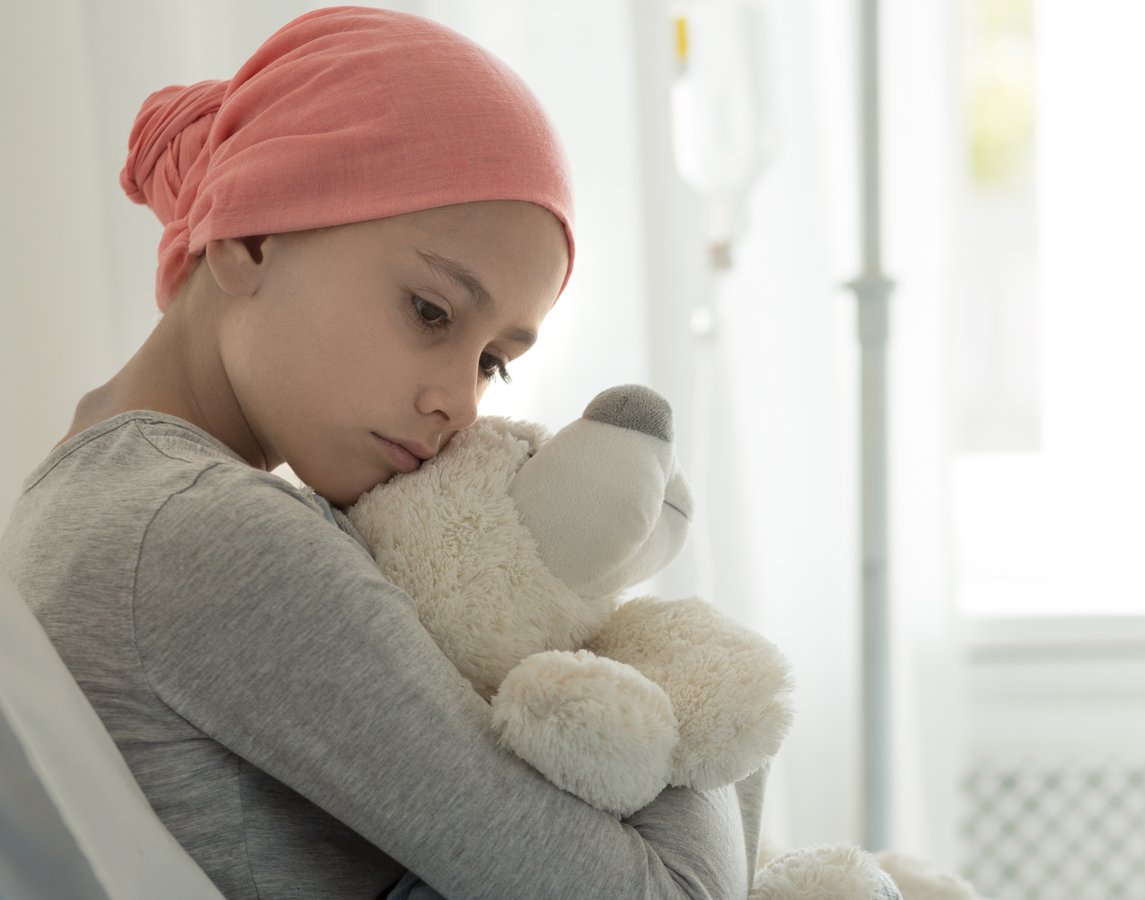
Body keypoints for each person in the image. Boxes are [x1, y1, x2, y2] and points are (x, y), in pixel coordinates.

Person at [0, 6, 763, 899]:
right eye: (431, 311)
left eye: (492, 364)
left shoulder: (81, 494)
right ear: (250, 235)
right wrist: (683, 675)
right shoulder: (212, 539)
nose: (460, 405)